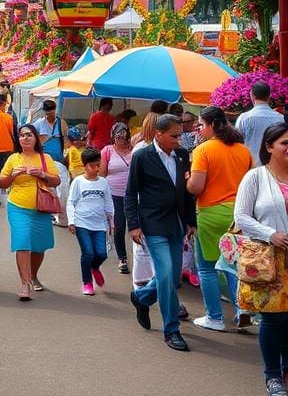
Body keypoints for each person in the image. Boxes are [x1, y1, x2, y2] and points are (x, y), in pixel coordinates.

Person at [125, 114, 198, 352]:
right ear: (158, 134)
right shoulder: (142, 156)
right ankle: (172, 330)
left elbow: (187, 193)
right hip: (152, 224)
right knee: (165, 273)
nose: (179, 140)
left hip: (176, 224)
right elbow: (130, 193)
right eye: (174, 136)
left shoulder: (181, 155)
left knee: (173, 276)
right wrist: (134, 225)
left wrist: (190, 221)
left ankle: (143, 297)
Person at [187, 105, 253, 332]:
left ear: (213, 125)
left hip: (210, 212)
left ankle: (214, 317)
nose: (199, 128)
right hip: (238, 215)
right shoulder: (243, 150)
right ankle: (242, 310)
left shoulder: (203, 150)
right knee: (233, 266)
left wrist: (187, 179)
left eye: (201, 125)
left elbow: (196, 187)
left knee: (206, 268)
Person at [234, 122, 288, 396]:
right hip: (270, 259)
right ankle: (273, 375)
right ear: (269, 146)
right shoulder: (255, 177)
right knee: (275, 319)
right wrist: (271, 234)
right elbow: (241, 217)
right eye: (285, 143)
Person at [0, 123, 61, 300]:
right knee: (23, 243)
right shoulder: (13, 159)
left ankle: (33, 275)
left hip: (41, 208)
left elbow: (56, 181)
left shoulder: (45, 158)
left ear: (35, 138)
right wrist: (14, 176)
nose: (25, 138)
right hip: (18, 207)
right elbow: (2, 183)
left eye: (29, 135)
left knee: (39, 247)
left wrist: (42, 174)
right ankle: (25, 284)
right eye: (22, 135)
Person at [67, 147, 115, 295]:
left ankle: (95, 268)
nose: (96, 168)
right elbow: (71, 202)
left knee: (101, 253)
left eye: (98, 165)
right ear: (85, 166)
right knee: (88, 252)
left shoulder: (103, 183)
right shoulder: (78, 182)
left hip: (100, 223)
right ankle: (87, 282)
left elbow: (108, 202)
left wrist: (112, 220)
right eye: (93, 165)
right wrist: (71, 221)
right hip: (82, 223)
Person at [100, 121, 133, 274]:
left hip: (133, 195)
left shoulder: (135, 150)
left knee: (137, 227)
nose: (121, 139)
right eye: (118, 136)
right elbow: (102, 173)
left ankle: (144, 259)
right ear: (113, 137)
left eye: (124, 136)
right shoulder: (107, 151)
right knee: (119, 228)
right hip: (114, 194)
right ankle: (122, 258)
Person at [34, 99, 70, 226]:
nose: (49, 115)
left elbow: (66, 141)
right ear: (44, 112)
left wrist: (67, 155)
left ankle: (61, 216)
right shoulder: (38, 124)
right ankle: (49, 213)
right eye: (47, 113)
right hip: (43, 161)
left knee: (62, 189)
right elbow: (34, 142)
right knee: (48, 189)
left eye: (52, 112)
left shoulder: (61, 123)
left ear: (55, 110)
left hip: (59, 161)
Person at [237, 81, 284, 165]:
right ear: (269, 96)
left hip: (250, 166)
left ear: (252, 95)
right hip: (273, 167)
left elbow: (237, 143)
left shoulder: (244, 118)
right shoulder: (280, 118)